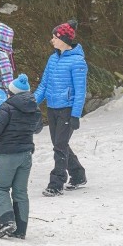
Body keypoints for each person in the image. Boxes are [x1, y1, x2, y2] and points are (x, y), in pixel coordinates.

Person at [34, 20, 88, 196]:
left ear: (63, 39)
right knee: (59, 144)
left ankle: (56, 183)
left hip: (67, 109)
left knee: (59, 145)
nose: (52, 40)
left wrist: (75, 115)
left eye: (54, 37)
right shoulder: (53, 58)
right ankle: (78, 175)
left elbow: (80, 91)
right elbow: (44, 84)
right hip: (52, 107)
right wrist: (31, 103)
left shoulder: (78, 62)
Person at [0, 74, 43, 239]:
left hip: (8, 154)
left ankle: (7, 221)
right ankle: (21, 228)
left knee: (1, 188)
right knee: (20, 191)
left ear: (11, 92)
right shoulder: (34, 107)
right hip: (26, 154)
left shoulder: (7, 107)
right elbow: (37, 128)